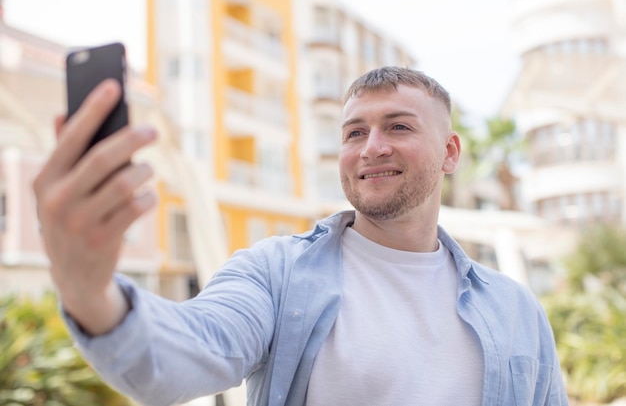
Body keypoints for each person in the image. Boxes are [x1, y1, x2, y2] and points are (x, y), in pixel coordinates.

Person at [33, 66, 569, 406]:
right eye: (354, 132)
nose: (371, 147)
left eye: (398, 127)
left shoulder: (516, 309)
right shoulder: (274, 274)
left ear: (450, 152)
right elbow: (179, 358)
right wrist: (88, 291)